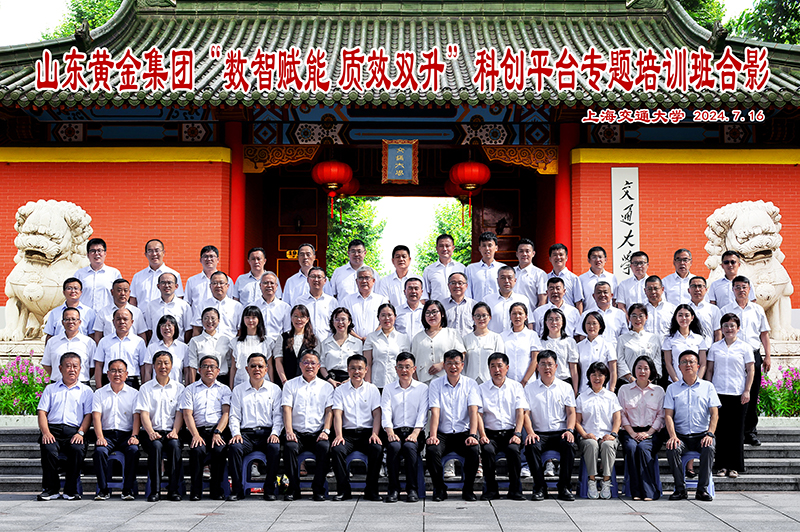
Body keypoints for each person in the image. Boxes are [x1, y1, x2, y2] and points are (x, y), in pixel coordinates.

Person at [720, 276, 771, 447]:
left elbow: (764, 334)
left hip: (753, 355)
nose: (741, 290)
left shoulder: (757, 309)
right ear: (732, 289)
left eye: (744, 287)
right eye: (737, 287)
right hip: (732, 356)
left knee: (752, 394)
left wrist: (767, 356)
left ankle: (750, 432)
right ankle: (735, 431)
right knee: (733, 394)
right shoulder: (725, 310)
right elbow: (719, 334)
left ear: (749, 289)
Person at [36, 352, 93, 501]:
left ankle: (71, 490)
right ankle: (51, 490)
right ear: (60, 368)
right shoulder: (50, 389)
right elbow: (42, 412)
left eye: (75, 366)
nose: (72, 369)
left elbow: (88, 415)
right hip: (52, 430)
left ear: (80, 369)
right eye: (68, 366)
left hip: (74, 431)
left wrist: (81, 433)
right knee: (48, 449)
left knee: (77, 449)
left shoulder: (86, 391)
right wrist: (46, 432)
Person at [426, 350, 482, 502]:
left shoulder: (470, 384)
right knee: (431, 449)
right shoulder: (435, 384)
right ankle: (439, 489)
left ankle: (468, 489)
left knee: (473, 449)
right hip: (443, 433)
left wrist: (473, 435)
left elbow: (473, 411)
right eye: (449, 363)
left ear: (462, 365)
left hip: (463, 433)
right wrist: (433, 436)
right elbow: (435, 412)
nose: (453, 367)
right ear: (444, 366)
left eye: (456, 363)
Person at [665, 350, 720, 502]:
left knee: (709, 447)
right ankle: (680, 489)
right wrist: (673, 436)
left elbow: (714, 414)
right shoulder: (672, 388)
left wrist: (710, 434)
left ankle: (702, 490)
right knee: (672, 448)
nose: (688, 365)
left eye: (691, 362)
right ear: (679, 367)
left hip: (702, 435)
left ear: (698, 366)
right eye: (684, 362)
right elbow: (668, 415)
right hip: (681, 436)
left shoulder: (708, 387)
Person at [227, 353, 283, 501]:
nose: (256, 369)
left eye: (260, 366)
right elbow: (234, 416)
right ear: (247, 369)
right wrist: (236, 434)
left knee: (275, 448)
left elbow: (278, 416)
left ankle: (269, 489)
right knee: (234, 447)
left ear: (266, 369)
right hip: (246, 434)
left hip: (267, 433)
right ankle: (237, 490)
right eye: (253, 366)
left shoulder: (275, 389)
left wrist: (275, 433)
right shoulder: (238, 390)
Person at [523, 350, 577, 502]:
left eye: (550, 364)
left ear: (556, 366)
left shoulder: (565, 387)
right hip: (539, 433)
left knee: (569, 445)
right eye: (543, 364)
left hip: (561, 432)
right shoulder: (529, 388)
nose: (547, 368)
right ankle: (540, 487)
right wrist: (530, 432)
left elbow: (571, 412)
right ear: (537, 367)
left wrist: (570, 430)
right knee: (531, 446)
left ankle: (564, 487)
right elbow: (525, 414)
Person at [280, 349, 334, 501]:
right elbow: (287, 409)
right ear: (300, 365)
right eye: (306, 362)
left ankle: (318, 489)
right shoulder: (290, 385)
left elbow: (329, 411)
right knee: (290, 447)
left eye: (313, 363)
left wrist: (326, 431)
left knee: (324, 447)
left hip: (318, 432)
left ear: (319, 366)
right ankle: (293, 489)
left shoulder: (326, 387)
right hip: (297, 432)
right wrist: (289, 431)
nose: (309, 366)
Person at [706, 313, 755, 479]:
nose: (729, 329)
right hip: (719, 393)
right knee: (721, 431)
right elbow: (710, 370)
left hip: (738, 393)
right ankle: (721, 466)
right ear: (721, 328)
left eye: (732, 325)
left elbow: (750, 370)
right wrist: (709, 390)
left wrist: (747, 390)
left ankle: (735, 466)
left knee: (737, 431)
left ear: (738, 328)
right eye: (725, 326)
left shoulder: (745, 347)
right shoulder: (715, 347)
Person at [330, 354, 383, 501]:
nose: (356, 371)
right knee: (337, 449)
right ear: (348, 370)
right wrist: (339, 435)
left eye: (360, 368)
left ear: (366, 370)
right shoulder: (340, 390)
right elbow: (337, 414)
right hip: (347, 434)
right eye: (353, 368)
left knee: (377, 448)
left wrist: (375, 433)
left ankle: (371, 490)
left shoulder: (372, 389)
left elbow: (377, 414)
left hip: (367, 433)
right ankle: (343, 490)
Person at [135, 350, 185, 502]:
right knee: (155, 446)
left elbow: (180, 413)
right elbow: (144, 414)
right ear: (153, 366)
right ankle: (155, 491)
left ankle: (173, 490)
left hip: (172, 431)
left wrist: (175, 431)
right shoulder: (145, 388)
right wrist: (150, 432)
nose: (163, 366)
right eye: (159, 363)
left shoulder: (179, 388)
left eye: (166, 363)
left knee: (175, 446)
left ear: (171, 365)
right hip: (151, 432)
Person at [180, 354, 231, 501]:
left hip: (218, 429)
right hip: (197, 430)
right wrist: (195, 435)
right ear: (199, 370)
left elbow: (226, 413)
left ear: (218, 371)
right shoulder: (190, 389)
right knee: (197, 450)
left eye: (212, 367)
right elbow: (187, 415)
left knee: (219, 450)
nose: (209, 369)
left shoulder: (224, 389)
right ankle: (196, 491)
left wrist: (218, 432)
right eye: (205, 366)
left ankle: (216, 490)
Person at [477, 352, 527, 501]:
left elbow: (520, 412)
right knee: (487, 450)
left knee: (513, 450)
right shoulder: (482, 388)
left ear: (507, 367)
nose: (496, 370)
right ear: (489, 369)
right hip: (490, 434)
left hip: (511, 433)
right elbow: (478, 414)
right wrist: (482, 435)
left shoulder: (516, 387)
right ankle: (491, 490)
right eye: (493, 366)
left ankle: (515, 490)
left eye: (500, 366)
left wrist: (517, 434)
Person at [381, 352, 428, 503]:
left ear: (414, 369)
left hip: (415, 432)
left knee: (409, 447)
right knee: (393, 447)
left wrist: (415, 433)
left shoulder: (422, 388)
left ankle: (412, 489)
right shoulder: (388, 389)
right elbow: (386, 412)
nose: (404, 370)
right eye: (400, 367)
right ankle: (393, 489)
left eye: (408, 367)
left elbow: (423, 413)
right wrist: (389, 432)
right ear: (396, 369)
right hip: (394, 431)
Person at [618, 355, 666, 501]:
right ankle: (636, 491)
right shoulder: (624, 389)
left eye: (646, 368)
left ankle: (650, 492)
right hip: (629, 431)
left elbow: (661, 416)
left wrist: (648, 433)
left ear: (651, 371)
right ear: (634, 370)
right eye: (639, 368)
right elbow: (621, 414)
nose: (642, 371)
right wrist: (632, 433)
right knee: (632, 448)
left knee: (643, 448)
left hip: (652, 432)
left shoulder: (659, 391)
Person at [92, 359, 141, 501]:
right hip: (107, 435)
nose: (117, 374)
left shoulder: (134, 393)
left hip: (126, 434)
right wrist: (100, 437)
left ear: (126, 374)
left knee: (133, 450)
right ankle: (103, 490)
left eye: (120, 371)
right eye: (113, 371)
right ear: (107, 374)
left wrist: (134, 435)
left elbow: (136, 417)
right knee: (99, 452)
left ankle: (128, 489)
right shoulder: (99, 393)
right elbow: (96, 417)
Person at [575, 361, 621, 499]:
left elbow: (617, 419)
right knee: (591, 444)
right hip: (588, 436)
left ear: (605, 377)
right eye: (593, 374)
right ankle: (592, 481)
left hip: (608, 435)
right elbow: (577, 422)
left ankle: (606, 482)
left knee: (607, 445)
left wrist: (613, 434)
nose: (597, 378)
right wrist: (584, 434)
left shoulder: (611, 396)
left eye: (600, 375)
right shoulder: (582, 397)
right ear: (588, 376)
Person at [411, 299, 466, 384]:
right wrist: (416, 382)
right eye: (428, 313)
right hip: (424, 382)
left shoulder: (452, 333)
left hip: (447, 380)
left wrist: (442, 364)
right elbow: (411, 362)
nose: (431, 315)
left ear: (442, 314)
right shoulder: (417, 338)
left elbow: (461, 355)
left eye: (434, 312)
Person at [94, 308, 147, 388]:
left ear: (132, 322)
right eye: (118, 319)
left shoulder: (139, 342)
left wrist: (143, 386)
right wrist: (99, 387)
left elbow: (143, 366)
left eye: (125, 319)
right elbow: (99, 365)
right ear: (113, 321)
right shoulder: (104, 341)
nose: (122, 322)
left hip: (131, 381)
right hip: (108, 381)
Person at [41, 307, 95, 385]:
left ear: (79, 322)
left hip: (82, 385)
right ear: (62, 322)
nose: (70, 322)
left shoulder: (89, 342)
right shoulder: (52, 342)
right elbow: (46, 364)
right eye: (67, 319)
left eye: (74, 319)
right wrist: (59, 376)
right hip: (57, 384)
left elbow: (92, 367)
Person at [363, 303, 411, 389]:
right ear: (378, 318)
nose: (387, 318)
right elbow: (368, 364)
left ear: (395, 317)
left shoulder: (403, 338)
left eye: (390, 315)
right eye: (383, 315)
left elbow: (407, 364)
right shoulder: (371, 337)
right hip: (377, 384)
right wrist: (368, 385)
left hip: (397, 384)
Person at [616, 304, 662, 389]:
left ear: (646, 317)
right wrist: (631, 379)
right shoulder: (622, 338)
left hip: (650, 384)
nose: (638, 319)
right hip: (628, 384)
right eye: (634, 316)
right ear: (629, 318)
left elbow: (657, 361)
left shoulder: (654, 338)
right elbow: (620, 361)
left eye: (641, 316)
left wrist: (649, 380)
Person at [130, 239, 184, 309]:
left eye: (157, 250)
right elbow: (133, 301)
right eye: (150, 251)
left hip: (165, 314)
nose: (154, 254)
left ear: (163, 253)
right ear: (146, 254)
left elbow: (179, 299)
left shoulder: (174, 275)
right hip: (143, 315)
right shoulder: (138, 276)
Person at [572, 312, 617, 396]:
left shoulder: (608, 345)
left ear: (600, 326)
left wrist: (611, 389)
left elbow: (613, 370)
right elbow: (575, 370)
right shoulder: (578, 346)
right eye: (588, 323)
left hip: (603, 391)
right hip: (584, 391)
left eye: (594, 323)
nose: (591, 326)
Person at [662, 304, 709, 384]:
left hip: (696, 383)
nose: (683, 318)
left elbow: (703, 363)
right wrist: (677, 382)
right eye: (680, 315)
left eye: (687, 315)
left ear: (692, 318)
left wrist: (697, 381)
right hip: (675, 382)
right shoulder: (669, 339)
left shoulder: (699, 339)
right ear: (676, 317)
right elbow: (668, 364)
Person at [274, 304, 319, 385]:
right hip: (286, 381)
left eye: (302, 316)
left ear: (307, 319)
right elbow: (278, 361)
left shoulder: (314, 339)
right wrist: (284, 381)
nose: (299, 319)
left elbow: (316, 363)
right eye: (295, 316)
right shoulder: (283, 337)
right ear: (291, 318)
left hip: (307, 383)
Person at [186, 308, 233, 386]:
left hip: (222, 380)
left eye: (213, 318)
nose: (210, 321)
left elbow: (229, 364)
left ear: (218, 320)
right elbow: (192, 366)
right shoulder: (195, 341)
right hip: (202, 380)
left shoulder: (225, 340)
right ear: (202, 321)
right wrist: (193, 386)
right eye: (206, 318)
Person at [229, 306, 273, 388]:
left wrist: (272, 386)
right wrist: (231, 387)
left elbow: (269, 366)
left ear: (259, 319)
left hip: (263, 384)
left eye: (254, 317)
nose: (250, 320)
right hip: (241, 383)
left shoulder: (267, 341)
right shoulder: (236, 342)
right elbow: (233, 368)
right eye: (247, 317)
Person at [190, 271, 243, 339]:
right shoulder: (202, 305)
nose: (218, 286)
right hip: (207, 343)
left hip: (230, 343)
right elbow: (197, 329)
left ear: (227, 286)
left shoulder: (237, 306)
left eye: (221, 283)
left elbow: (240, 330)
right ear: (210, 286)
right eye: (215, 283)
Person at [144, 272, 193, 344]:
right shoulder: (151, 305)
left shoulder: (184, 306)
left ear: (176, 286)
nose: (167, 286)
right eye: (163, 283)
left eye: (170, 283)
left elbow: (188, 330)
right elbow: (149, 330)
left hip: (177, 346)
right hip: (156, 346)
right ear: (158, 286)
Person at [74, 237, 121, 311]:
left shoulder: (114, 273)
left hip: (106, 315)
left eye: (99, 251)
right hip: (84, 315)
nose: (96, 254)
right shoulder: (79, 274)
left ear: (105, 253)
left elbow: (120, 295)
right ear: (88, 255)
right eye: (93, 251)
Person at [500, 302, 542, 386]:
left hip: (529, 383)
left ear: (526, 316)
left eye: (520, 313)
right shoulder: (502, 336)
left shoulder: (532, 335)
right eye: (514, 314)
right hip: (508, 383)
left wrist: (524, 381)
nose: (517, 316)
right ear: (510, 316)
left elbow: (535, 360)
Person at [93, 278, 146, 343]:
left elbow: (142, 334)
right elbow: (98, 335)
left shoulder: (137, 312)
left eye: (126, 290)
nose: (123, 293)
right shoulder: (103, 312)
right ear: (112, 292)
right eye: (119, 290)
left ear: (129, 292)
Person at [320, 307, 363, 386]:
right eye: (337, 319)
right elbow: (322, 366)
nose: (340, 322)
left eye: (343, 319)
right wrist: (330, 380)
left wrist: (350, 379)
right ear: (333, 322)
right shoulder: (325, 343)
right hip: (329, 381)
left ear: (349, 322)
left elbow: (361, 365)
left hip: (351, 381)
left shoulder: (357, 343)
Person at [43, 278, 97, 342]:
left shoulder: (89, 312)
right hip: (59, 346)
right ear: (64, 292)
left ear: (81, 292)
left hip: (81, 347)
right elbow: (50, 335)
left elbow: (92, 335)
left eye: (76, 288)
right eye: (69, 288)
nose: (73, 291)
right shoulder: (55, 312)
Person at [186, 245, 239, 310]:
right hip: (198, 316)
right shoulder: (192, 281)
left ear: (218, 259)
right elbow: (187, 303)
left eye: (211, 256)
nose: (209, 259)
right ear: (200, 260)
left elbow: (230, 301)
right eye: (205, 256)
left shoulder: (227, 280)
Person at [341, 266, 387, 340]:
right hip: (352, 342)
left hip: (376, 341)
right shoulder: (347, 301)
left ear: (373, 281)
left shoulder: (381, 300)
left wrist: (371, 338)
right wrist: (358, 338)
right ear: (356, 281)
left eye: (367, 278)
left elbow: (384, 322)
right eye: (361, 278)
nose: (364, 281)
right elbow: (343, 322)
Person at [463, 302, 504, 384]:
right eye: (477, 316)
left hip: (489, 381)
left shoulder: (496, 338)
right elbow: (463, 363)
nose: (481, 319)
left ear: (490, 317)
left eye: (484, 315)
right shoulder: (466, 339)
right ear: (473, 318)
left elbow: (500, 362)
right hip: (470, 381)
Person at [577, 282, 627, 347]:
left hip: (615, 351)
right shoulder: (586, 315)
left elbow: (624, 337)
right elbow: (582, 337)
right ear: (594, 296)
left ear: (611, 295)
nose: (602, 295)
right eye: (599, 292)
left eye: (605, 292)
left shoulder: (620, 314)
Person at [295, 266, 338, 341]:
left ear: (325, 280)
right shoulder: (300, 301)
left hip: (327, 342)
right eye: (313, 276)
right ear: (308, 280)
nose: (316, 280)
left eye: (319, 277)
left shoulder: (332, 301)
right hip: (305, 342)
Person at [486, 267, 531, 334]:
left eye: (510, 278)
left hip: (516, 339)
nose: (506, 281)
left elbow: (529, 323)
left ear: (515, 280)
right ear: (497, 280)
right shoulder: (487, 300)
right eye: (503, 278)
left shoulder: (523, 299)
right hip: (493, 339)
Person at [144, 314, 187, 384]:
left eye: (169, 325)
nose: (166, 328)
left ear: (175, 328)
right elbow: (147, 372)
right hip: (156, 388)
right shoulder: (152, 347)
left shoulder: (183, 347)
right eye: (163, 325)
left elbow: (187, 371)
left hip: (177, 388)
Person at [540, 308, 579, 385]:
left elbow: (573, 368)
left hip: (564, 382)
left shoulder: (569, 341)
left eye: (557, 319)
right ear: (546, 322)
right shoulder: (540, 342)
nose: (554, 322)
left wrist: (575, 389)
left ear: (562, 322)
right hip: (545, 382)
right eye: (550, 319)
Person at [423, 233, 466, 302]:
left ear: (453, 248)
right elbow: (425, 295)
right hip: (437, 308)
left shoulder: (461, 268)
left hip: (458, 306)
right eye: (441, 246)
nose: (444, 249)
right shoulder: (428, 270)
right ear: (437, 249)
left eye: (447, 246)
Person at [251, 271, 292, 342]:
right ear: (260, 285)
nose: (269, 285)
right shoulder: (253, 306)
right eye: (265, 283)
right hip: (257, 343)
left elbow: (287, 331)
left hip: (278, 344)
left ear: (276, 286)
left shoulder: (285, 307)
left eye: (272, 283)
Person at [466, 231, 506, 301]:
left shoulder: (502, 268)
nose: (487, 248)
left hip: (497, 306)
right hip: (477, 306)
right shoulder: (470, 269)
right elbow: (467, 293)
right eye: (484, 245)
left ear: (496, 248)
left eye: (490, 245)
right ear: (479, 248)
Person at [547, 243, 583, 313]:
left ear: (566, 258)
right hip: (550, 316)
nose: (558, 257)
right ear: (550, 258)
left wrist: (579, 318)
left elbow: (578, 302)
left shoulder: (573, 278)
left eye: (561, 255)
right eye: (555, 255)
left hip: (569, 316)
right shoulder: (545, 278)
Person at [579, 246, 617, 312]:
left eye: (600, 257)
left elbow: (614, 300)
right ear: (589, 260)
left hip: (608, 315)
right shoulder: (581, 279)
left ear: (605, 259)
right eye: (594, 257)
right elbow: (579, 302)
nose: (597, 260)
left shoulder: (611, 277)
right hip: (589, 316)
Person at [514, 238, 547, 308]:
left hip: (531, 314)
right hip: (510, 314)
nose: (524, 254)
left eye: (527, 251)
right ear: (517, 254)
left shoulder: (540, 274)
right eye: (521, 251)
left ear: (533, 253)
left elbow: (542, 300)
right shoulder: (511, 272)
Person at [443, 271, 476, 338]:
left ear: (466, 286)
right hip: (447, 342)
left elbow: (477, 327)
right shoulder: (441, 305)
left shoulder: (474, 305)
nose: (457, 286)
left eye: (460, 283)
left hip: (468, 342)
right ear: (448, 285)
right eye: (453, 283)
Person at [689, 276, 722, 342]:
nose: (697, 289)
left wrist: (716, 347)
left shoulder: (713, 309)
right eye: (693, 286)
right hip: (688, 347)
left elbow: (718, 332)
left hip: (708, 347)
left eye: (700, 286)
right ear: (688, 290)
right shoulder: (683, 309)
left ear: (706, 290)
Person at [644, 275, 676, 343]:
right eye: (649, 289)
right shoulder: (640, 309)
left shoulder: (672, 309)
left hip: (666, 348)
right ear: (645, 291)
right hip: (645, 348)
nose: (653, 292)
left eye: (656, 288)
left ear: (662, 289)